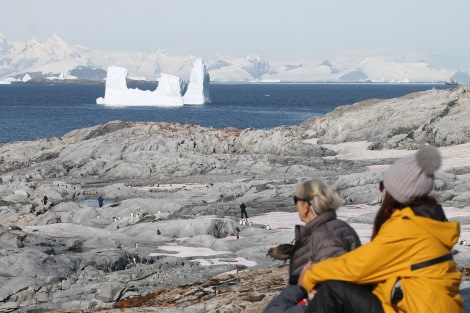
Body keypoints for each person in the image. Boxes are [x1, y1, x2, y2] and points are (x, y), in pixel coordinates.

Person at [298, 146, 463, 313]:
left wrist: (311, 275)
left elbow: (356, 267)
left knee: (333, 291)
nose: (382, 190)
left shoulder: (406, 229)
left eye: (383, 185)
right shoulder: (426, 222)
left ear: (395, 193)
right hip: (425, 306)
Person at [263, 179, 361, 313]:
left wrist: (301, 289)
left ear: (306, 206)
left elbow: (330, 295)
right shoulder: (336, 228)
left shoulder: (326, 237)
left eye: (295, 200)